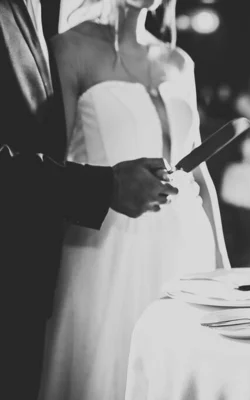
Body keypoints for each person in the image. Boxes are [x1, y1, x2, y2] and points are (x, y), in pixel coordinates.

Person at [38, 0, 231, 399]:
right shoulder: (70, 49)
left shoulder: (179, 61)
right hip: (106, 246)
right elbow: (56, 163)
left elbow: (201, 174)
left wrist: (223, 265)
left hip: (185, 248)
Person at [0, 1, 179, 398]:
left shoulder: (44, 12)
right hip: (81, 244)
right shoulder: (72, 45)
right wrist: (104, 187)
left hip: (166, 238)